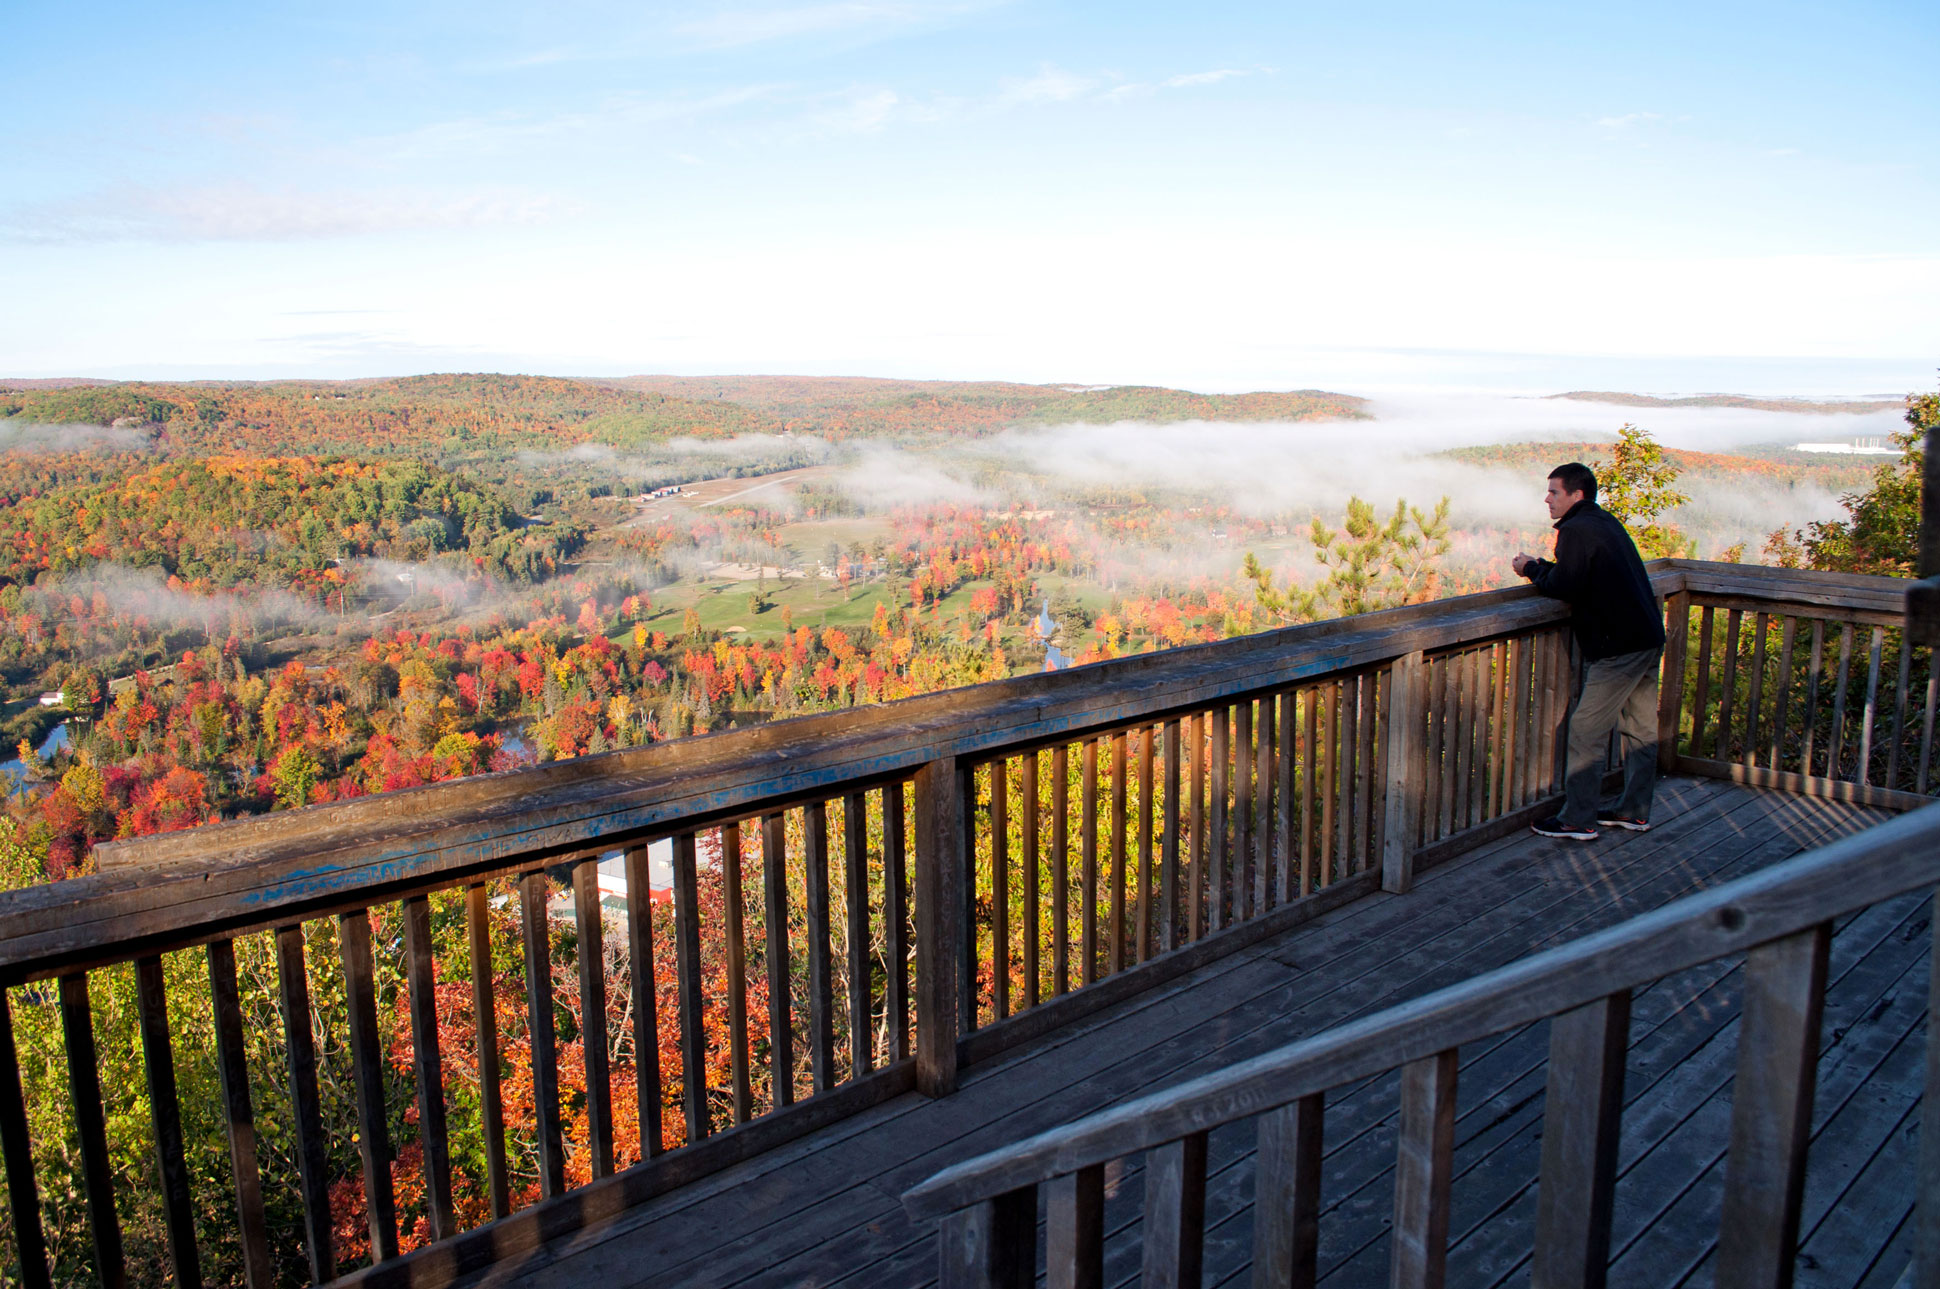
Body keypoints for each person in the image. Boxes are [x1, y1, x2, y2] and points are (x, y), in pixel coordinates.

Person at [1511, 462, 1667, 840]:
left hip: (1619, 646)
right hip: (1646, 636)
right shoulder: (1603, 523)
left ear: (1576, 495)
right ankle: (1634, 811)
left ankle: (1578, 819)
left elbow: (1566, 584)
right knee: (1641, 729)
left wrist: (1532, 568)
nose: (1547, 499)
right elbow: (1580, 575)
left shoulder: (1576, 530)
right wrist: (1546, 567)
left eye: (1554, 492)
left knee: (1585, 730)